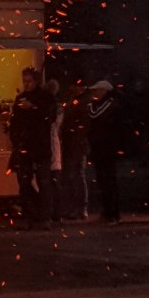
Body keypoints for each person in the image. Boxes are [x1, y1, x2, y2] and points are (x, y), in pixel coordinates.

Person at [9, 67, 56, 229]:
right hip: (24, 147)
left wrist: (33, 108)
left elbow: (50, 116)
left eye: (29, 81)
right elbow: (15, 123)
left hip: (40, 146)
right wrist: (15, 140)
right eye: (24, 81)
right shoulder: (20, 98)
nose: (26, 84)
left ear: (36, 81)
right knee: (24, 182)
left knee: (44, 182)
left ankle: (45, 218)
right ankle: (31, 216)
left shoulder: (45, 98)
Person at [86, 80, 126, 224]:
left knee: (109, 181)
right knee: (103, 181)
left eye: (97, 91)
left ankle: (113, 213)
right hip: (99, 148)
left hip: (108, 149)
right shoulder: (97, 106)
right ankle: (106, 211)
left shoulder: (111, 106)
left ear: (104, 91)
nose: (94, 93)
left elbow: (96, 116)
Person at [57, 82, 90, 220]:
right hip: (71, 143)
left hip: (77, 143)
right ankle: (74, 207)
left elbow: (83, 125)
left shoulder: (83, 103)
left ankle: (80, 208)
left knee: (77, 174)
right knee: (72, 175)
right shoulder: (75, 101)